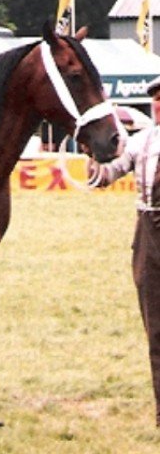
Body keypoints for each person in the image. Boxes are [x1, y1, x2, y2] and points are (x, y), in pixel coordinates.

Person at [95, 75, 160, 426]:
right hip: (148, 233)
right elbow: (111, 172)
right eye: (156, 100)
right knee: (156, 324)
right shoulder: (142, 142)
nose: (159, 105)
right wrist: (95, 167)